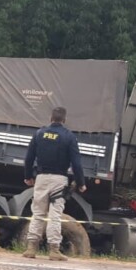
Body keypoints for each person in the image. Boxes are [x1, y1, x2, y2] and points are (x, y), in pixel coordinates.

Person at [22, 106, 86, 261]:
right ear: (64, 120)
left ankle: (31, 249)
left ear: (51, 118)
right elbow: (76, 163)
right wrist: (81, 183)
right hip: (59, 180)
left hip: (42, 178)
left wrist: (28, 176)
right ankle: (54, 250)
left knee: (37, 213)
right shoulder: (69, 137)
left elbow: (29, 158)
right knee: (54, 216)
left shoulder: (39, 134)